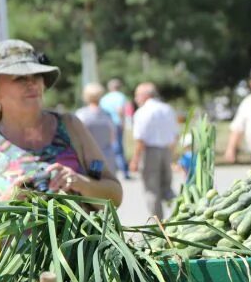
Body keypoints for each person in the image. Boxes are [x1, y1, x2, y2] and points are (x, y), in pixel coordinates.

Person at [0, 39, 122, 207]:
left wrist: (80, 182)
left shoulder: (70, 126)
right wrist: (4, 204)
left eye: (36, 75)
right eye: (19, 77)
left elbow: (115, 196)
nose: (32, 82)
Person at [129, 82, 178, 219]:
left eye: (137, 95)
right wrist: (172, 154)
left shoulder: (142, 112)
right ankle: (178, 215)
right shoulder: (167, 108)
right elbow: (175, 135)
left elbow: (140, 139)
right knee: (166, 187)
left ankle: (158, 223)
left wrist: (135, 160)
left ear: (145, 95)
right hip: (166, 150)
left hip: (150, 152)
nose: (136, 98)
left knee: (152, 189)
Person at [75, 82, 117, 174]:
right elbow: (112, 137)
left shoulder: (81, 114)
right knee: (109, 185)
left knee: (95, 184)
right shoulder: (107, 114)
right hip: (107, 155)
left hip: (91, 158)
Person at [100, 78, 131, 179]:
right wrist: (122, 122)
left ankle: (109, 171)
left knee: (107, 147)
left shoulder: (104, 98)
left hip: (105, 125)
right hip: (116, 124)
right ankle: (124, 172)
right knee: (119, 148)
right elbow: (120, 110)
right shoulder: (120, 96)